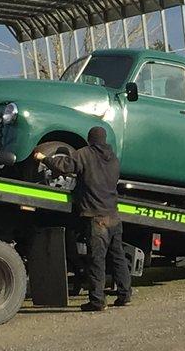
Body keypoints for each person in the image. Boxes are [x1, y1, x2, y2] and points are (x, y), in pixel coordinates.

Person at [34, 126, 132, 312]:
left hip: (96, 217)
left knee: (97, 260)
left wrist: (44, 158)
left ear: (90, 139)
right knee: (118, 257)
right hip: (113, 215)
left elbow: (64, 166)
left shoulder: (85, 154)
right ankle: (125, 295)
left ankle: (97, 301)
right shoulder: (114, 159)